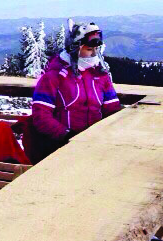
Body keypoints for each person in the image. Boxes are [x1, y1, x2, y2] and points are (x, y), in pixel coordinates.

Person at [29, 21, 122, 163]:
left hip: (95, 144)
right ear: (75, 48)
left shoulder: (100, 75)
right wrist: (66, 135)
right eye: (89, 49)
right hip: (60, 146)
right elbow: (41, 116)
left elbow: (112, 110)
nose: (94, 54)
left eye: (96, 49)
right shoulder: (54, 76)